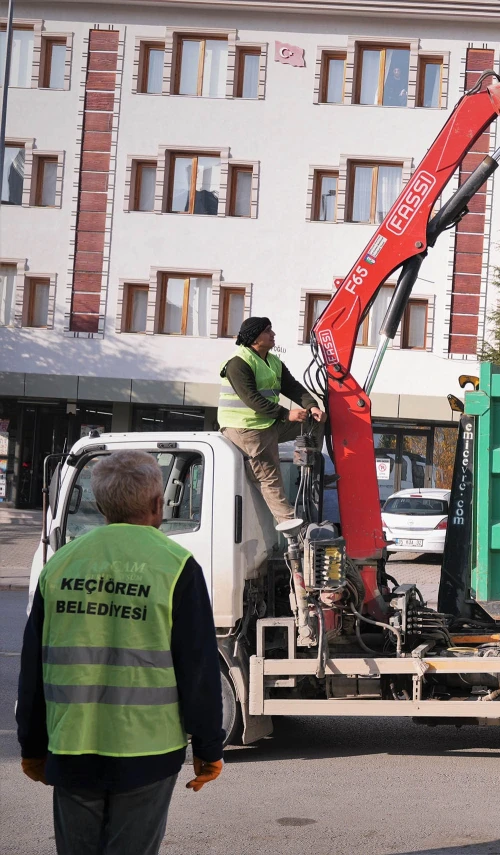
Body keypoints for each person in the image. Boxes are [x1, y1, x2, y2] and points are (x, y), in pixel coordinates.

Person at [16, 450, 225, 855]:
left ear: (100, 506)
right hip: (147, 752)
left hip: (72, 747)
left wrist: (32, 744)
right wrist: (208, 747)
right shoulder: (177, 566)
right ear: (157, 503)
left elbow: (33, 666)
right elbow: (198, 669)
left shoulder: (60, 564)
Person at [218, 316, 325, 532]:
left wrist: (312, 406)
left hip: (268, 423)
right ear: (254, 337)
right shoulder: (238, 363)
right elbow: (252, 399)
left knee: (316, 421)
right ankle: (295, 532)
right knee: (270, 479)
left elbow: (293, 387)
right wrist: (286, 414)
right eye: (268, 331)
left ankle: (311, 470)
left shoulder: (273, 361)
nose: (273, 334)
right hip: (245, 428)